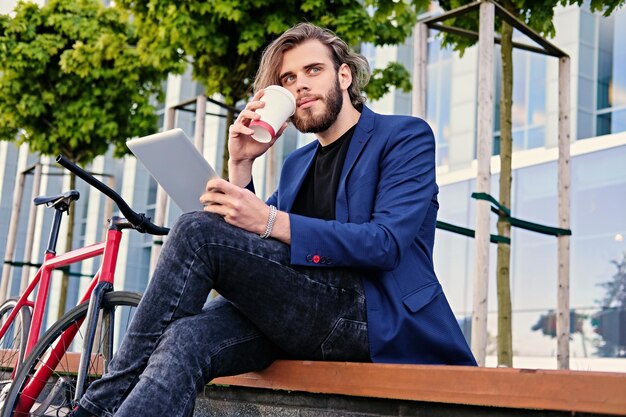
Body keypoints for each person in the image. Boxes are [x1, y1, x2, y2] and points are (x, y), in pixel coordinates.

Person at [70, 22, 476, 417]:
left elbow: (384, 244)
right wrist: (241, 164)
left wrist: (269, 218)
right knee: (185, 338)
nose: (300, 85)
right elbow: (255, 249)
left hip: (373, 314)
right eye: (288, 78)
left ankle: (95, 406)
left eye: (313, 70)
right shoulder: (297, 164)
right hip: (304, 314)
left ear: (345, 75)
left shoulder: (404, 137)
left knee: (197, 230)